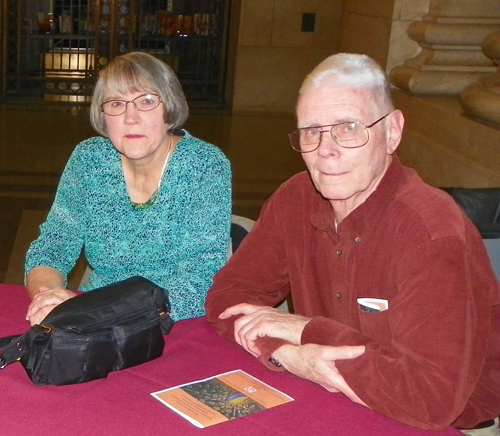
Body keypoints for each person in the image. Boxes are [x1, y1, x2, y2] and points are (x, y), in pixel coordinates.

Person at [205, 53, 500, 433]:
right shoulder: (296, 199)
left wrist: (306, 330)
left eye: (348, 128)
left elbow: (430, 399)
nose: (326, 150)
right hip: (327, 392)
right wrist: (286, 353)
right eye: (311, 131)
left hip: (447, 424)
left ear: (392, 132)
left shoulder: (433, 234)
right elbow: (227, 298)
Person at [25, 52, 231, 325]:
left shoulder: (205, 165)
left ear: (169, 108)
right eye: (116, 103)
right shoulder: (90, 159)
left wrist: (103, 311)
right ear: (103, 114)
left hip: (176, 323)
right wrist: (47, 295)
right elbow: (53, 247)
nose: (130, 117)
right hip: (96, 321)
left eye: (146, 101)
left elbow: (202, 280)